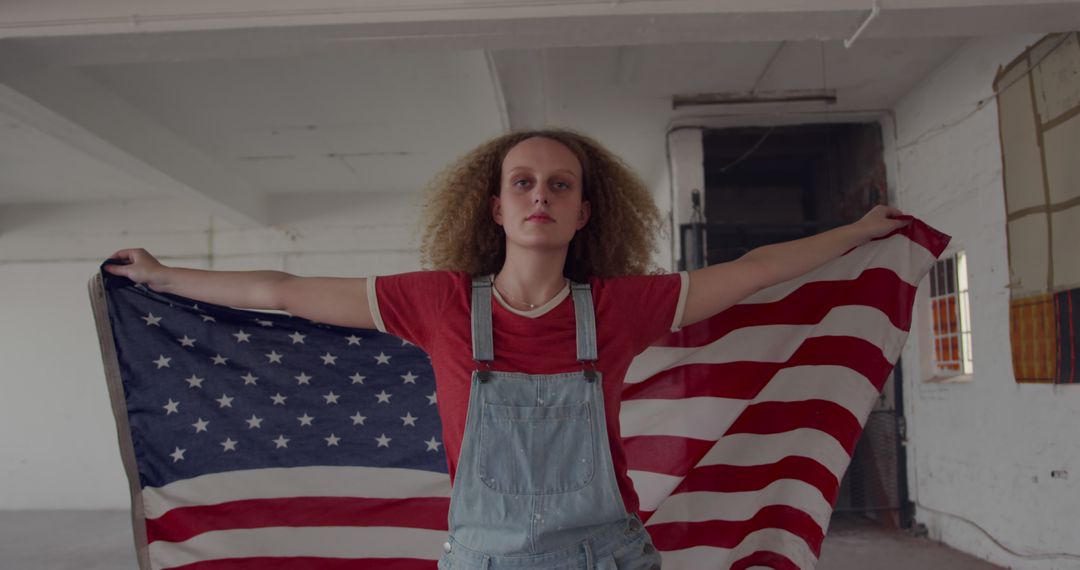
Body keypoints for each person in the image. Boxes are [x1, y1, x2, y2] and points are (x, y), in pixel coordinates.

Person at [105, 128, 909, 570]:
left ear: (586, 213)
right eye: (524, 181)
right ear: (494, 207)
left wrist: (857, 234)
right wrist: (165, 275)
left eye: (561, 185)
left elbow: (754, 271)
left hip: (611, 561)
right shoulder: (438, 303)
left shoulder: (621, 310)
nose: (541, 196)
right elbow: (281, 291)